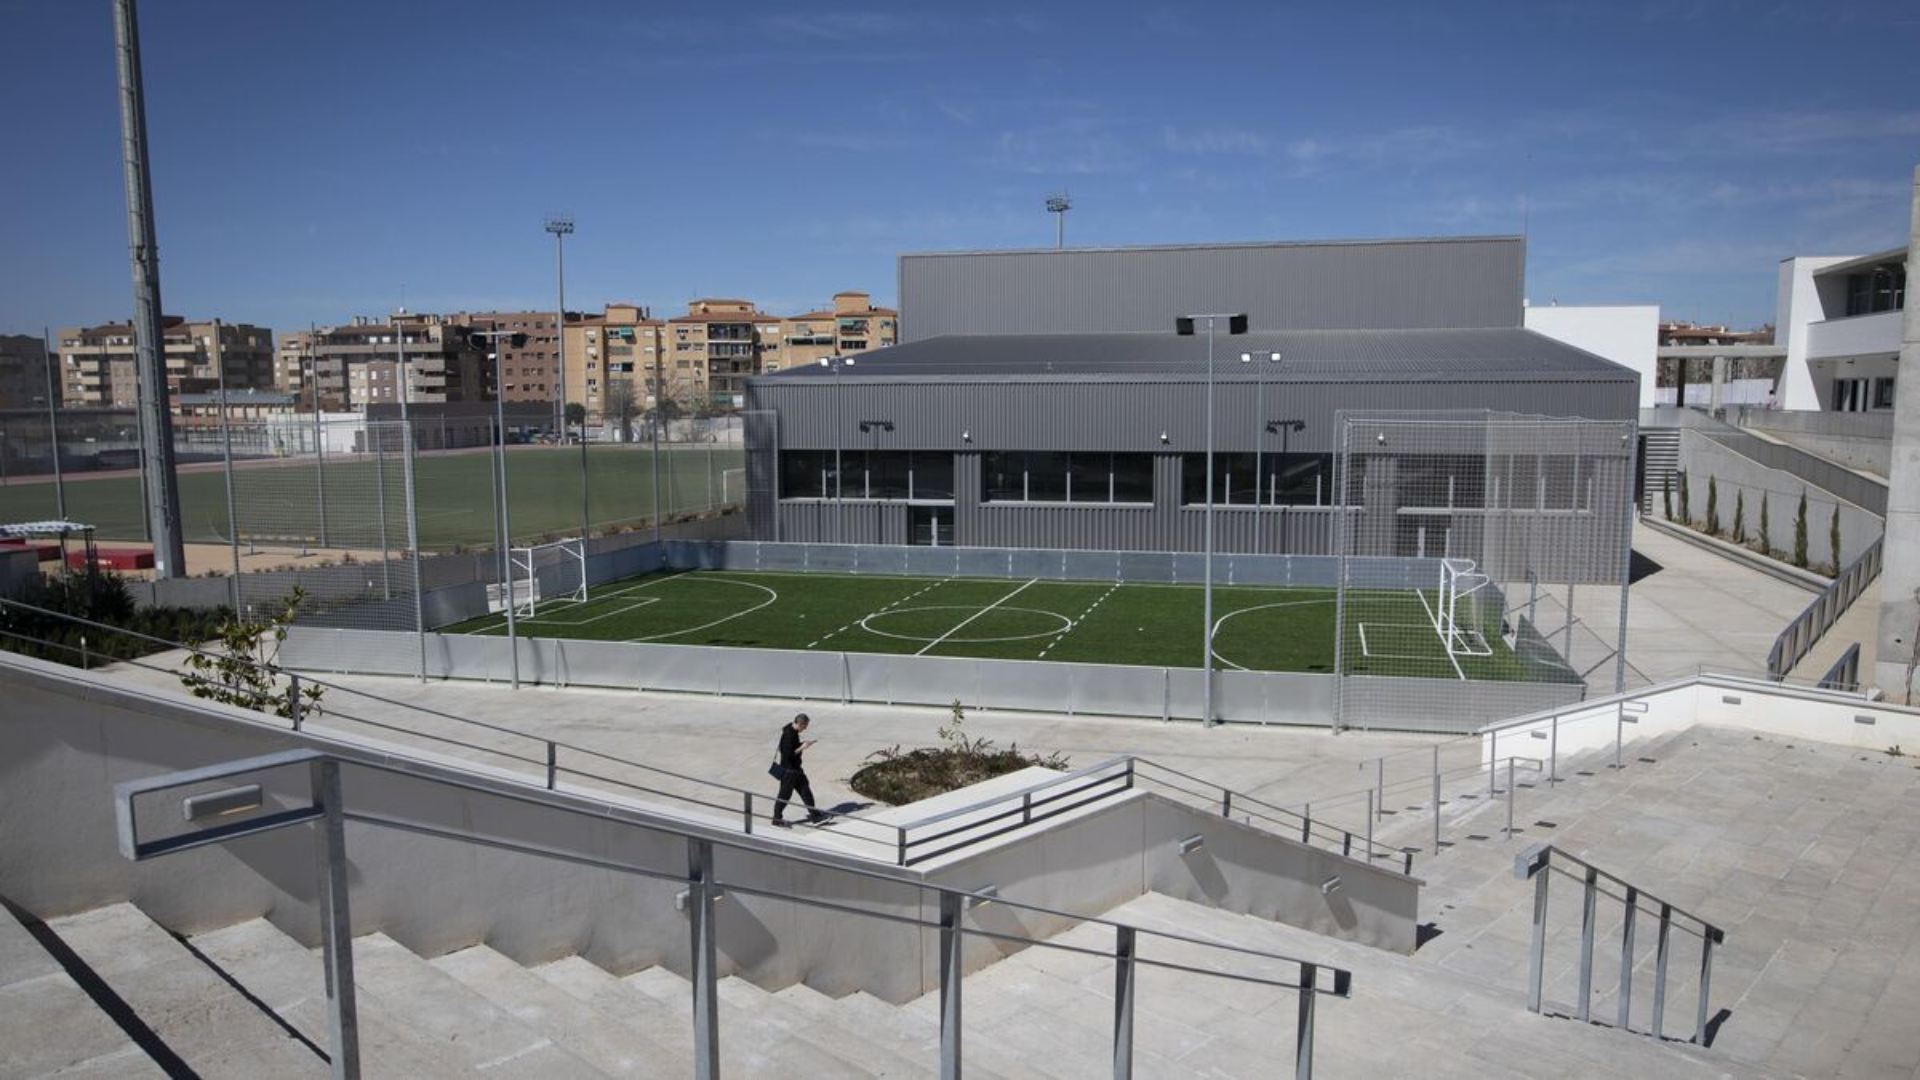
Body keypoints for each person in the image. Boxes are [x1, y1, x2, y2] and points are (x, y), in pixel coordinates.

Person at [771, 713, 826, 827]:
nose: (805, 728)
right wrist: (802, 747)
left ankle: (816, 817)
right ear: (800, 724)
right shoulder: (789, 735)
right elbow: (788, 755)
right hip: (789, 771)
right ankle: (776, 819)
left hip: (795, 770)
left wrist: (803, 744)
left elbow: (792, 747)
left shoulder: (793, 732)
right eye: (805, 726)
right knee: (784, 795)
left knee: (805, 791)